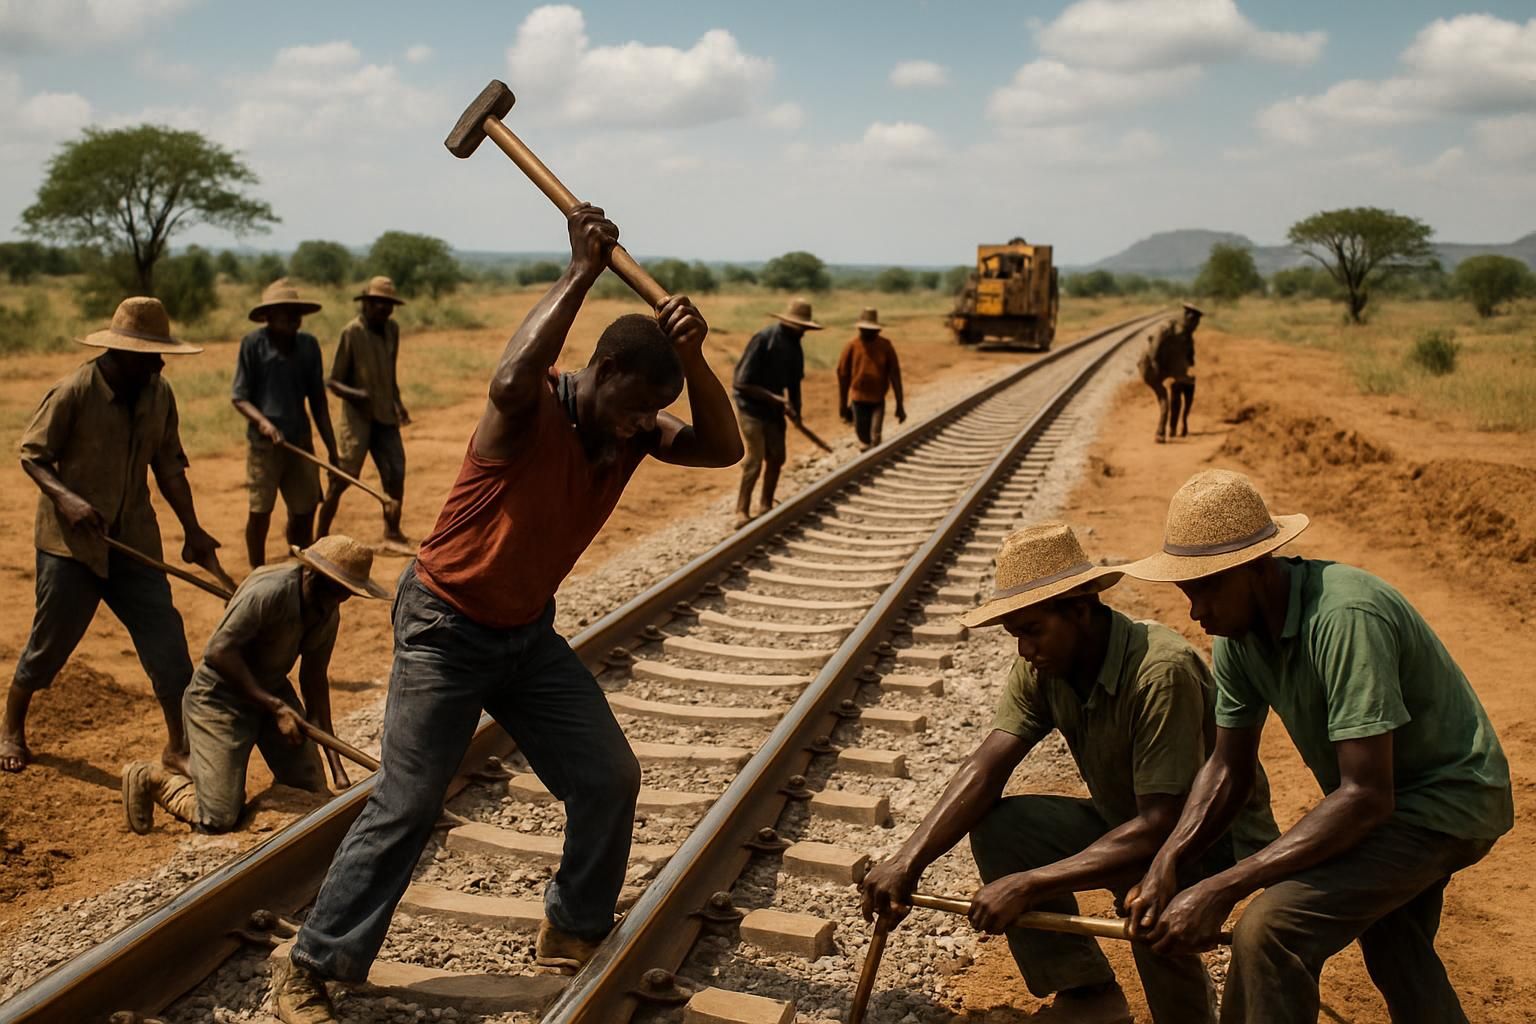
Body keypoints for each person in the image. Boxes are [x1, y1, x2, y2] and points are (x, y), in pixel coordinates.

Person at [269, 204, 743, 1023]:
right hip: (445, 626)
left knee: (607, 778)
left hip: (524, 636)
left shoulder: (630, 432)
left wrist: (695, 362)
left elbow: (723, 448)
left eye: (648, 413)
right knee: (410, 800)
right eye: (633, 405)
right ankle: (311, 966)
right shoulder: (531, 407)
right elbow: (507, 379)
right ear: (599, 370)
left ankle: (572, 929)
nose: (639, 425)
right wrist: (580, 272)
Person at [1122, 469, 1514, 1024]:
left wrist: (1222, 887)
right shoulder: (1238, 635)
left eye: (1206, 588)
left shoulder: (1344, 617)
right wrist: (1168, 860)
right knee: (1394, 940)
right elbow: (1227, 768)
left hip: (1444, 803)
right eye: (1189, 591)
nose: (1195, 612)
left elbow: (1366, 797)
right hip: (1385, 804)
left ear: (1256, 568)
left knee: (1270, 931)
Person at [861, 521, 1276, 1023]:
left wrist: (1029, 884)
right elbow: (988, 766)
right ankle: (1086, 994)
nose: (1024, 650)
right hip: (1128, 822)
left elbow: (1164, 824)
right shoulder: (1044, 667)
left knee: (1148, 903)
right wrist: (909, 860)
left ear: (1080, 611)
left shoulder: (1160, 672)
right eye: (1016, 635)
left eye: (1032, 631)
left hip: (1206, 840)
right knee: (1003, 827)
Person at [0, 297, 229, 774]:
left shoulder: (159, 394)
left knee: (167, 643)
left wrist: (193, 530)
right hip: (71, 545)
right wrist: (68, 500)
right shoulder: (74, 391)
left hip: (134, 541)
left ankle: (179, 746)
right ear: (122, 353)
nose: (161, 363)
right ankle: (11, 728)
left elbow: (169, 468)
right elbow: (32, 455)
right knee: (50, 644)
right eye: (152, 355)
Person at [121, 535, 387, 834]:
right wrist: (275, 707)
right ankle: (155, 778)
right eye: (337, 589)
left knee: (312, 796)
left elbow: (314, 681)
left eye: (347, 593)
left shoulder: (328, 612)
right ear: (313, 575)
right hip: (220, 698)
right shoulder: (269, 592)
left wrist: (338, 772)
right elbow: (219, 652)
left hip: (272, 692)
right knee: (219, 816)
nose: (340, 600)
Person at [233, 279, 340, 568]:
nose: (293, 318)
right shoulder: (252, 345)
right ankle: (256, 572)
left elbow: (318, 402)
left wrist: (332, 451)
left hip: (299, 441)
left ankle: (300, 568)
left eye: (296, 312)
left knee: (304, 511)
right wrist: (264, 424)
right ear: (268, 316)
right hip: (264, 447)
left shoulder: (308, 346)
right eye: (285, 312)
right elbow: (239, 398)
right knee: (260, 511)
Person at [316, 276, 410, 552]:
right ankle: (319, 534)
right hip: (357, 420)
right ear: (366, 304)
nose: (384, 309)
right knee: (343, 476)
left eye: (389, 304)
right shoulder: (352, 332)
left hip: (385, 416)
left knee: (396, 472)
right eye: (379, 303)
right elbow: (332, 381)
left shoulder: (392, 330)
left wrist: (398, 402)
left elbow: (390, 373)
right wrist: (358, 395)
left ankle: (392, 531)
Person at [732, 296, 822, 527]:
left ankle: (766, 505)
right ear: (790, 324)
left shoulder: (795, 346)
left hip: (774, 411)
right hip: (750, 408)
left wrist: (797, 412)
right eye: (801, 327)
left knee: (777, 457)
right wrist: (776, 398)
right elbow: (741, 383)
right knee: (755, 459)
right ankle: (741, 511)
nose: (803, 332)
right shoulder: (764, 339)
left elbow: (794, 384)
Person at [836, 307, 906, 450]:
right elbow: (843, 376)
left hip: (877, 400)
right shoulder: (852, 346)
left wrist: (900, 405)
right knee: (864, 438)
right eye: (865, 330)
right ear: (860, 329)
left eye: (872, 330)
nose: (869, 333)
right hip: (858, 401)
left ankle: (872, 454)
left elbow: (895, 375)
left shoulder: (885, 346)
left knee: (875, 437)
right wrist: (843, 405)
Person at [1138, 303, 1199, 443]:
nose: (1196, 325)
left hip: (1167, 368)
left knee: (1185, 386)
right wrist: (1155, 364)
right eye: (1195, 321)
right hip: (1152, 369)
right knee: (1164, 399)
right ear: (1188, 318)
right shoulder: (1168, 328)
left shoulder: (1187, 337)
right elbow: (1154, 348)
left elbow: (1190, 360)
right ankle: (1161, 432)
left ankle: (1175, 427)